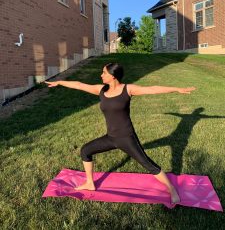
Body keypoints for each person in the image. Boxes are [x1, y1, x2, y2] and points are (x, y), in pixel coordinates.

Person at [45, 62, 195, 204]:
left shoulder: (128, 89)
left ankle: (172, 189)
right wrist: (60, 82)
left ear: (113, 75)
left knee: (148, 164)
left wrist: (176, 89)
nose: (101, 75)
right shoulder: (101, 90)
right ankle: (90, 183)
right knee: (85, 150)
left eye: (104, 72)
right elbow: (79, 85)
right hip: (110, 137)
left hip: (127, 138)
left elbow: (152, 88)